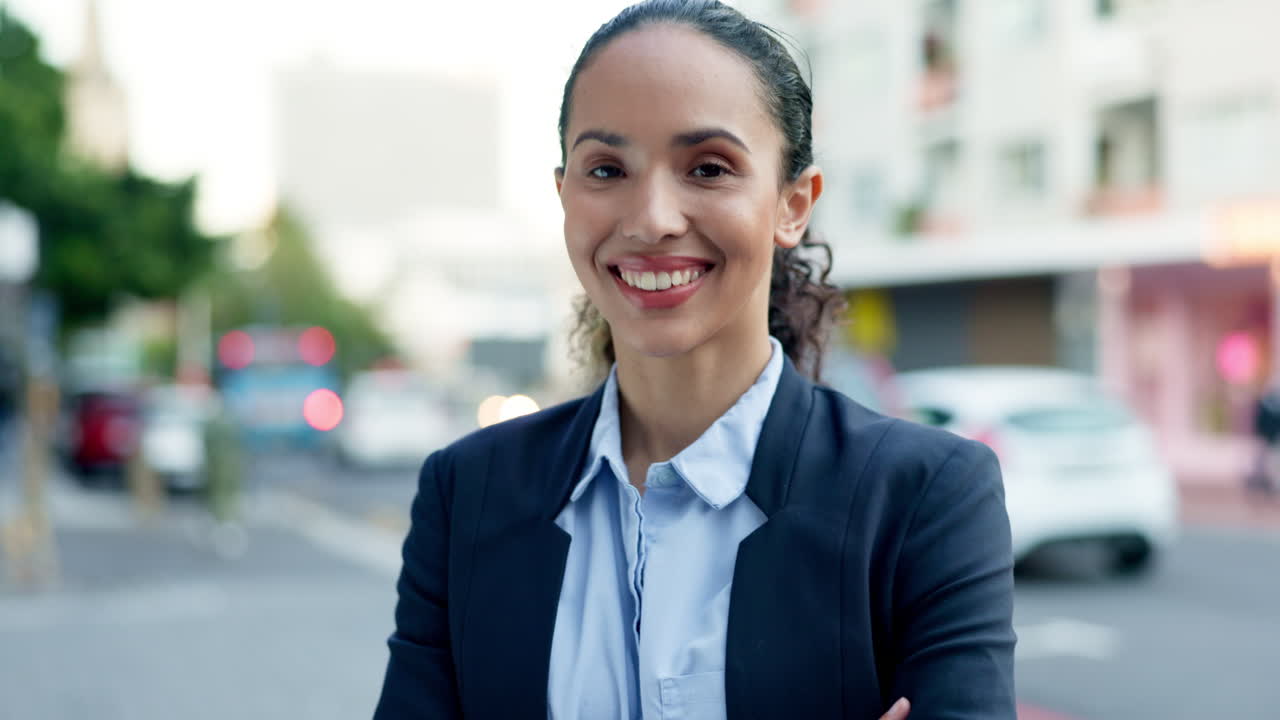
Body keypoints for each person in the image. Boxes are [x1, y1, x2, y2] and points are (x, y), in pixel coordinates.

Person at [374, 1, 1016, 718]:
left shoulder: (925, 498)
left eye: (708, 168)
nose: (651, 218)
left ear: (792, 204)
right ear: (564, 197)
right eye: (607, 168)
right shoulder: (468, 494)